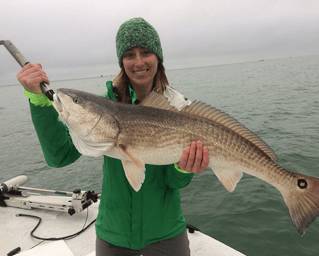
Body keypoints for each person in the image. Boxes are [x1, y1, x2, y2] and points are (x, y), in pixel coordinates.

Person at [17, 17, 209, 256]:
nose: (138, 62)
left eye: (146, 52)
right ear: (122, 62)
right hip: (113, 237)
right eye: (129, 55)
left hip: (167, 234)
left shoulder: (179, 109)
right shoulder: (104, 106)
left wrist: (183, 169)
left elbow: (173, 182)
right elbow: (59, 157)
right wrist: (38, 101)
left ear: (158, 58)